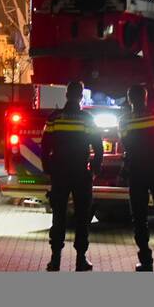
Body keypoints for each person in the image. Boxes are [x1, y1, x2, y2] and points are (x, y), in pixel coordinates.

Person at [41, 81, 104, 272]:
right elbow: (98, 146)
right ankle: (80, 260)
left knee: (58, 216)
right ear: (81, 97)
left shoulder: (54, 118)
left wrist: (49, 168)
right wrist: (94, 168)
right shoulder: (87, 119)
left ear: (67, 95)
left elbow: (45, 146)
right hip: (80, 173)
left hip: (60, 172)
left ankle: (55, 260)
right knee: (82, 217)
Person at [118, 85, 154, 271]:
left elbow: (125, 142)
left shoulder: (124, 120)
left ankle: (146, 259)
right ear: (145, 98)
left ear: (129, 100)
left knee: (139, 216)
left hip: (136, 170)